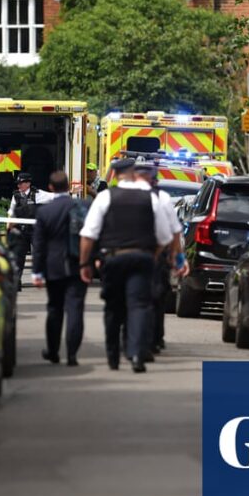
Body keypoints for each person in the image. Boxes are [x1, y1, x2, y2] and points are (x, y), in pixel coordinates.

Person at [78, 158, 175, 373]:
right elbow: (164, 236)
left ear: (114, 174)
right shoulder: (151, 198)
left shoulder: (105, 197)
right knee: (139, 306)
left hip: (113, 259)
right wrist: (152, 256)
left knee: (114, 307)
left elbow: (88, 234)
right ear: (133, 174)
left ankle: (113, 356)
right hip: (142, 259)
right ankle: (137, 354)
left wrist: (84, 263)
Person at [31, 171, 88, 367]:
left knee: (55, 309)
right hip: (77, 265)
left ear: (51, 187)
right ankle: (72, 354)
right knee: (75, 309)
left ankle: (53, 351)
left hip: (53, 267)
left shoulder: (45, 212)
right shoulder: (81, 206)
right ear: (68, 186)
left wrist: (37, 272)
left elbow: (39, 245)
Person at [133, 161, 189, 356]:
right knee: (155, 298)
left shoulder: (120, 196)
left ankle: (133, 339)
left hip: (127, 255)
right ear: (154, 180)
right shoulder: (162, 199)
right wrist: (178, 259)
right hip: (155, 255)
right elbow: (173, 232)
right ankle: (154, 338)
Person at [7, 172, 54, 288]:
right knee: (18, 256)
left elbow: (54, 197)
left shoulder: (37, 194)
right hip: (21, 230)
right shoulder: (16, 196)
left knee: (40, 254)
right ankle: (16, 281)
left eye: (21, 183)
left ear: (28, 183)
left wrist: (71, 192)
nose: (19, 185)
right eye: (18, 184)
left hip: (35, 230)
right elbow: (11, 211)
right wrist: (9, 225)